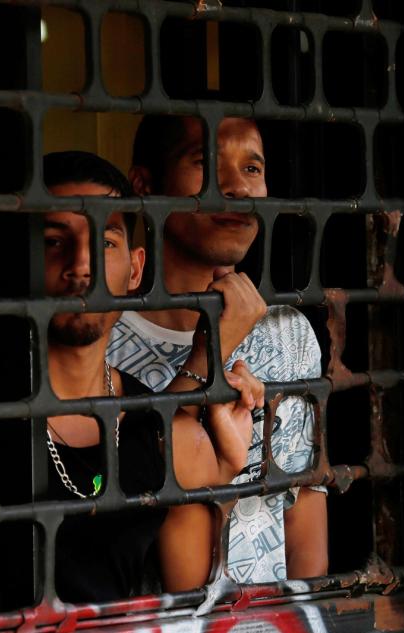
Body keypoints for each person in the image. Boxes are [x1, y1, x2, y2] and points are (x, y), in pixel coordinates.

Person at [106, 116, 329, 583]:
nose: (236, 188)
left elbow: (303, 514)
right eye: (206, 163)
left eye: (252, 169)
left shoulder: (288, 333)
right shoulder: (103, 339)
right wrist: (214, 347)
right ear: (145, 185)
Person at [40, 150, 264, 602]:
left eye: (105, 243)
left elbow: (194, 612)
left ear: (135, 269)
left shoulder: (164, 431)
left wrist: (221, 475)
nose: (82, 264)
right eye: (52, 241)